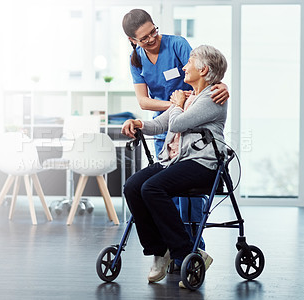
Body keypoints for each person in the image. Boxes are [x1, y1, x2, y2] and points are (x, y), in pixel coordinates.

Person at [121, 44, 228, 287]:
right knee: (132, 186)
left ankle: (185, 252)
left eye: (189, 63)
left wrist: (177, 103)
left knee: (152, 188)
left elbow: (177, 124)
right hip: (175, 161)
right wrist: (137, 123)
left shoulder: (212, 98)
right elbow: (160, 125)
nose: (183, 67)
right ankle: (160, 250)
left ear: (203, 69)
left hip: (203, 166)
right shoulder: (189, 97)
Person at [122, 8, 229, 156]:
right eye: (144, 38)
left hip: (192, 124)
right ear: (132, 40)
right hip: (163, 125)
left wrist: (221, 85)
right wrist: (177, 106)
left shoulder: (177, 44)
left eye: (153, 31)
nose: (151, 39)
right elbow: (143, 102)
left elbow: (201, 71)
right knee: (162, 172)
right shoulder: (136, 60)